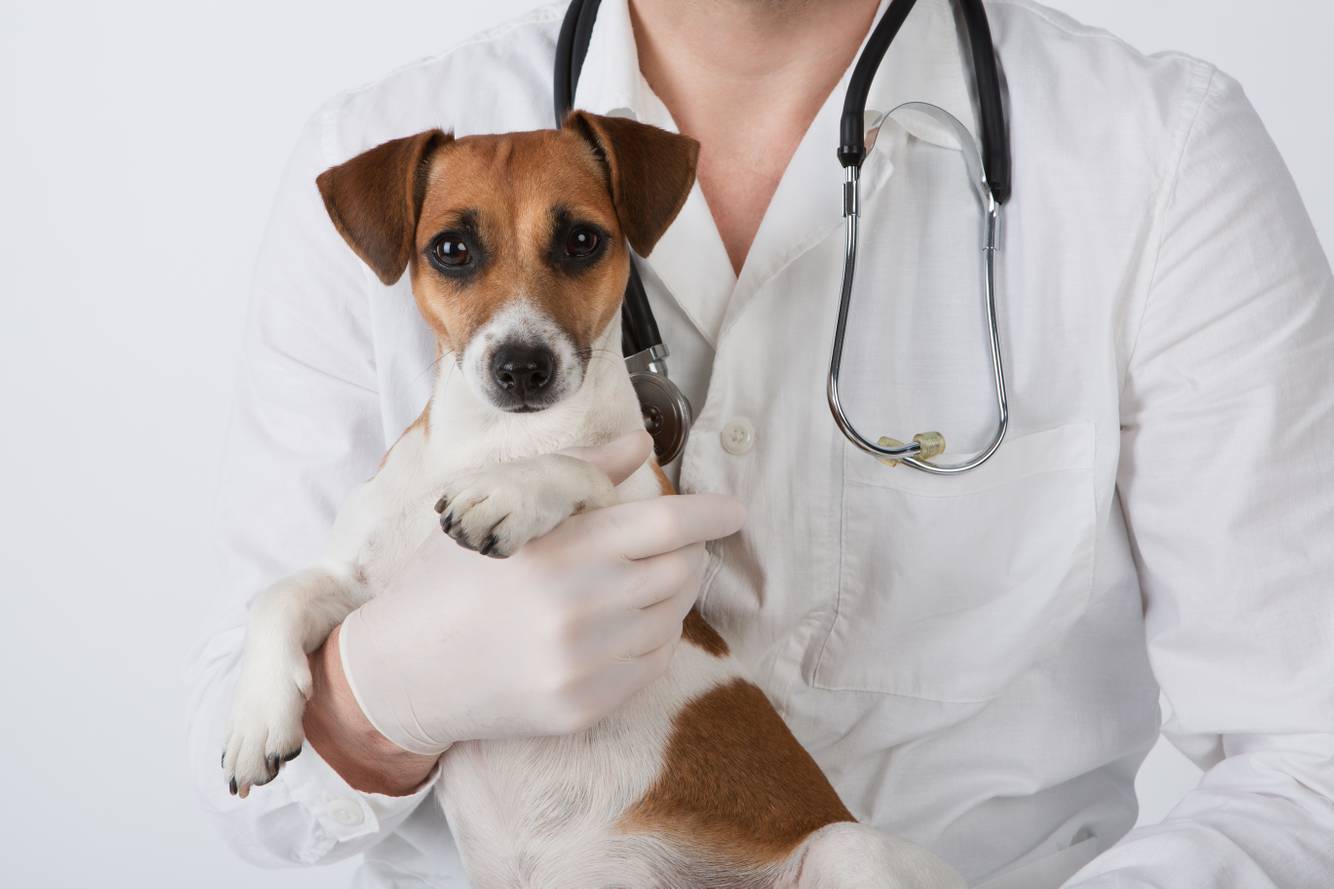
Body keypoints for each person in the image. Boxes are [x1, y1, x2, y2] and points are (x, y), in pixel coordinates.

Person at [187, 0, 1334, 886]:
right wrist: (382, 699)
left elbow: (1308, 752)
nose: (514, 308)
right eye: (458, 261)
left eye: (578, 244)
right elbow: (246, 792)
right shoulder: (378, 148)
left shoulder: (1157, 157)